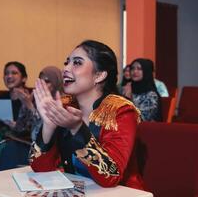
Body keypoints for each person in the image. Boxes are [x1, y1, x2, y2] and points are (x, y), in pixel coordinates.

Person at [30, 40, 144, 189]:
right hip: (79, 190)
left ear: (99, 75)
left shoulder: (120, 111)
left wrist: (78, 129)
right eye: (67, 62)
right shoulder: (65, 106)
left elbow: (110, 177)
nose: (66, 69)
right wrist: (49, 125)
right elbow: (40, 168)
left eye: (77, 63)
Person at [0, 66, 64, 171]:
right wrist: (26, 105)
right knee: (10, 147)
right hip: (28, 143)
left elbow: (39, 134)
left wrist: (31, 107)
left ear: (56, 83)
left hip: (50, 148)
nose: (43, 85)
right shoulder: (33, 98)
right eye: (41, 81)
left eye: (47, 81)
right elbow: (19, 130)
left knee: (12, 150)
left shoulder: (62, 102)